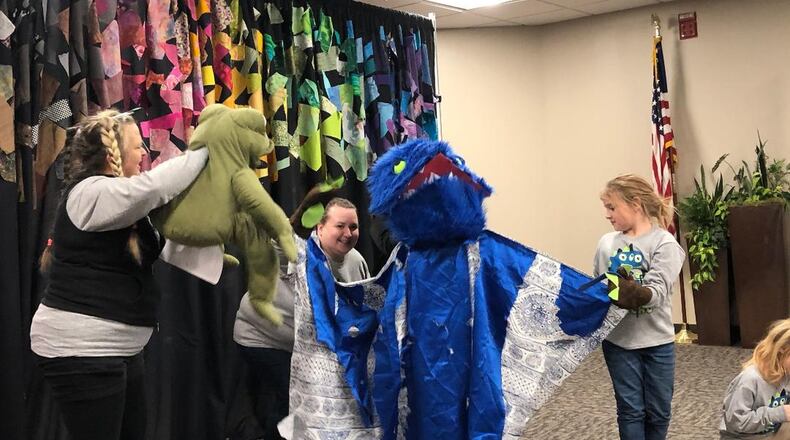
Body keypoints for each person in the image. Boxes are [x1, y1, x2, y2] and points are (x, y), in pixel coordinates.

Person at [29, 109, 209, 440]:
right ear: (114, 152)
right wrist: (207, 148)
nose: (143, 153)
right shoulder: (91, 191)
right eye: (137, 146)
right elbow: (152, 189)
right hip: (82, 349)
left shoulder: (123, 205)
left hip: (117, 350)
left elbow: (164, 248)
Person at [233, 197, 370, 439]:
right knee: (295, 403)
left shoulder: (357, 262)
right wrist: (294, 223)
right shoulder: (300, 250)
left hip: (308, 349)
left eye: (354, 226)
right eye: (340, 226)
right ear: (319, 227)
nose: (348, 233)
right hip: (263, 338)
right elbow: (274, 241)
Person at [593, 173, 685, 440]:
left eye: (612, 207)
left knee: (659, 412)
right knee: (631, 411)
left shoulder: (664, 244)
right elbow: (600, 289)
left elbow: (655, 294)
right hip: (619, 342)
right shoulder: (606, 244)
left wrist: (631, 290)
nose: (607, 215)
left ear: (635, 203)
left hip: (657, 342)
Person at [720, 319, 790, 439]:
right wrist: (779, 413)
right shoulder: (749, 380)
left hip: (769, 433)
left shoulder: (786, 373)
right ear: (781, 351)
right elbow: (736, 423)